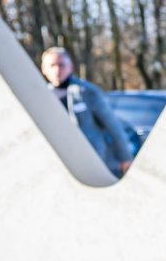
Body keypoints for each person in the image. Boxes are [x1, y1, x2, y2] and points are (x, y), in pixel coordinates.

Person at [39, 46, 133, 175]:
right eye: (52, 65)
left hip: (94, 161)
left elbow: (113, 125)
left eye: (61, 65)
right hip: (61, 163)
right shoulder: (42, 97)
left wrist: (125, 157)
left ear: (70, 67)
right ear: (43, 69)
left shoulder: (87, 92)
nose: (57, 70)